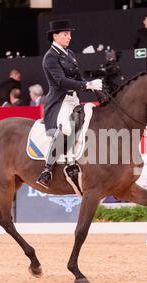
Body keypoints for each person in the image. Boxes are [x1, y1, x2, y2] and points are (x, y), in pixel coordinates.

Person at [36, 19, 103, 189]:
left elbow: (77, 78)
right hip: (59, 101)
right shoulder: (49, 57)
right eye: (65, 34)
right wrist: (85, 85)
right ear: (55, 36)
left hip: (74, 99)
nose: (69, 37)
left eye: (70, 34)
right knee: (67, 127)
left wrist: (93, 86)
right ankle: (47, 170)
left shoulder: (70, 54)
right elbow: (61, 81)